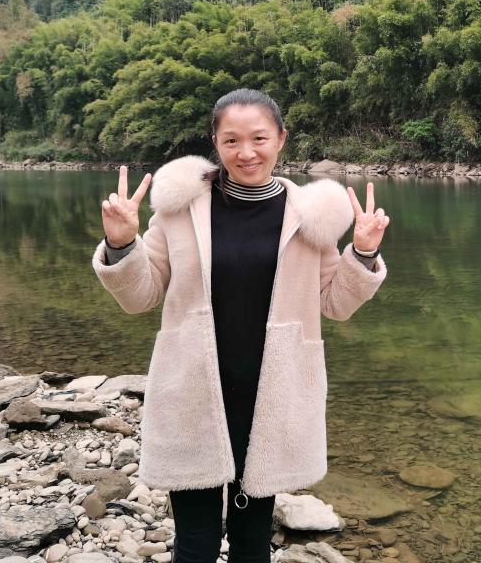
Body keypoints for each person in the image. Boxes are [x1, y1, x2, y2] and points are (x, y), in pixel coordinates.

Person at [91, 88, 389, 563]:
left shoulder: (310, 217)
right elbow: (140, 296)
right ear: (215, 142)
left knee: (252, 542)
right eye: (231, 140)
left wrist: (365, 252)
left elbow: (335, 304)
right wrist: (122, 244)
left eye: (259, 138)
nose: (246, 152)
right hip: (193, 394)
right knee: (195, 541)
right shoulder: (181, 209)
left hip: (270, 397)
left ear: (281, 139)